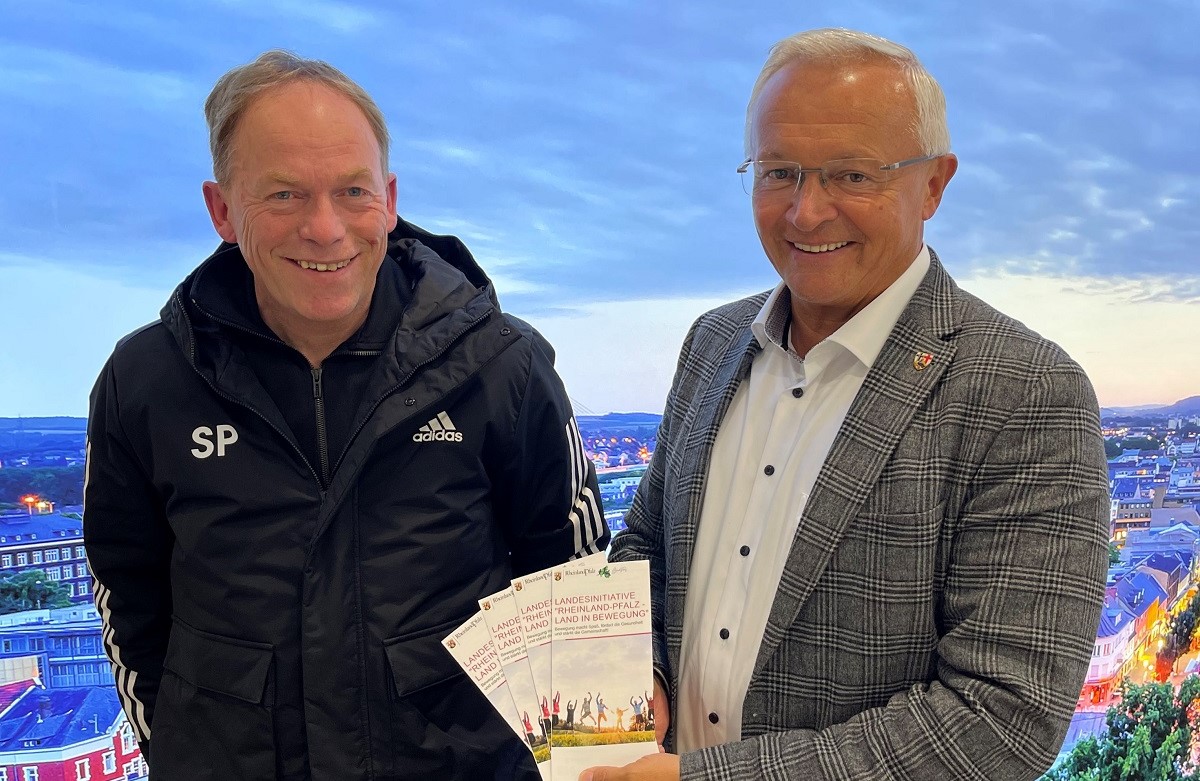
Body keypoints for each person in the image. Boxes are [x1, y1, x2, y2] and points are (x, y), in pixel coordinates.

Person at [590, 27, 1109, 781]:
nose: (805, 212)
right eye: (778, 173)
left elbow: (1000, 719)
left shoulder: (1029, 392)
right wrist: (645, 668)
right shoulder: (710, 342)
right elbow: (645, 545)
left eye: (851, 176)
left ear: (934, 183)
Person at [82, 50, 608, 781]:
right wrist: (170, 750)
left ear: (388, 200)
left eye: (352, 191)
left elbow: (575, 579)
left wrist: (589, 767)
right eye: (285, 195)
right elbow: (126, 590)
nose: (325, 228)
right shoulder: (145, 382)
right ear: (222, 210)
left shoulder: (501, 365)